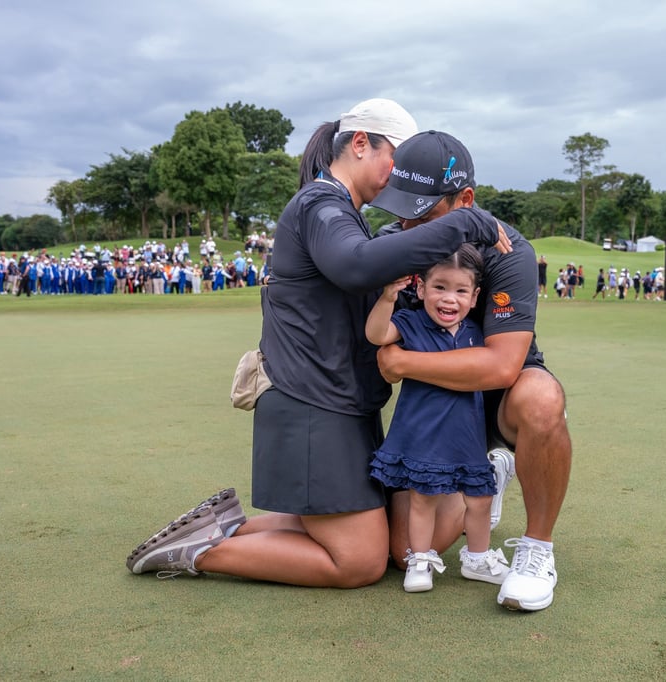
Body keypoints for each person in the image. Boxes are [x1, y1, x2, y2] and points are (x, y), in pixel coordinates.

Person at [125, 100, 510, 589]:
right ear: (360, 143)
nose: (402, 179)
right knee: (358, 561)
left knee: (353, 529)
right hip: (312, 400)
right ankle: (198, 553)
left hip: (339, 401)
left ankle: (218, 526)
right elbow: (355, 265)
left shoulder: (343, 211)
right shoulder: (319, 204)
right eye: (397, 159)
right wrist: (463, 223)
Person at [370, 130, 572, 612]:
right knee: (405, 552)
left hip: (496, 400)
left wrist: (401, 362)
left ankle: (536, 550)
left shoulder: (509, 251)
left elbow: (503, 365)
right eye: (401, 208)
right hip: (433, 410)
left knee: (542, 399)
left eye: (422, 211)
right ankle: (488, 476)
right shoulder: (389, 242)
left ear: (466, 201)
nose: (407, 223)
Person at [366, 244, 509, 593]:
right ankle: (420, 559)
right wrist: (387, 298)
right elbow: (376, 335)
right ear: (421, 288)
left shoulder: (477, 331)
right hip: (423, 435)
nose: (449, 299)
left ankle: (476, 558)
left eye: (460, 291)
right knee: (423, 498)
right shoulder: (411, 323)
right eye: (440, 287)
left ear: (474, 297)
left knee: (479, 499)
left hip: (466, 437)